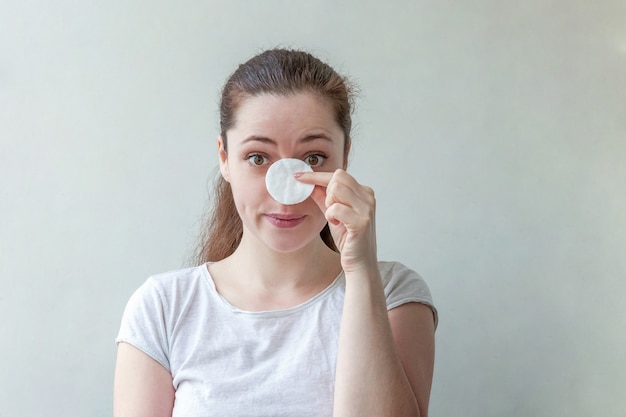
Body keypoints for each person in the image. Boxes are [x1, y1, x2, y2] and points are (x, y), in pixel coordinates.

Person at [114, 48, 438, 417]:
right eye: (258, 158)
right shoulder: (163, 307)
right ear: (224, 158)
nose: (287, 191)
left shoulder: (393, 293)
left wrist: (361, 271)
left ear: (344, 158)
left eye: (313, 158)